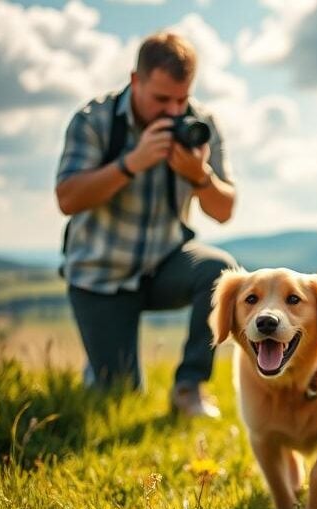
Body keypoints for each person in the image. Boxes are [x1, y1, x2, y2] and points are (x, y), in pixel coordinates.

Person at [55, 31, 236, 418]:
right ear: (135, 80)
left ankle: (189, 389)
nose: (173, 112)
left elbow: (223, 210)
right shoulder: (94, 121)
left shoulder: (200, 125)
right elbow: (67, 198)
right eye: (161, 99)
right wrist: (130, 164)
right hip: (100, 276)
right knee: (118, 396)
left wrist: (200, 176)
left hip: (163, 263)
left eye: (182, 99)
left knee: (220, 272)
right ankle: (103, 365)